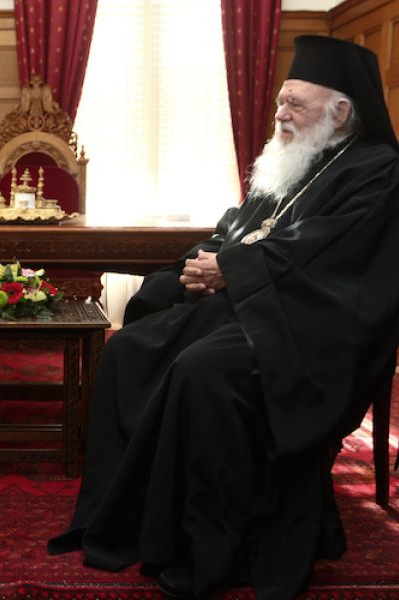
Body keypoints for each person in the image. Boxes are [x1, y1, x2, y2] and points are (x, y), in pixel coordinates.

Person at [48, 35, 399, 599]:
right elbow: (238, 227)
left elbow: (330, 256)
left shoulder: (377, 169)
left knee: (201, 372)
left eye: (295, 104)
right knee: (126, 349)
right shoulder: (294, 158)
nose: (281, 114)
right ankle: (131, 518)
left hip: (313, 328)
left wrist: (231, 270)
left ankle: (212, 547)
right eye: (280, 101)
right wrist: (198, 265)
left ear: (340, 112)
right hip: (251, 306)